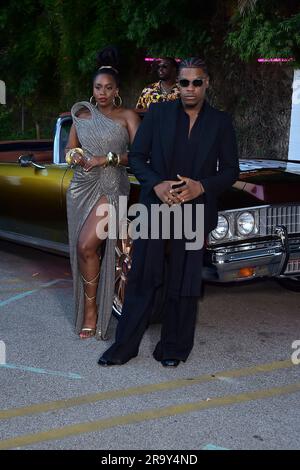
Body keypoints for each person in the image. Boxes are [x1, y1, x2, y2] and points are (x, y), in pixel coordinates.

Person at [98, 57, 239, 366]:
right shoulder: (159, 114)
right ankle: (124, 347)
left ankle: (173, 349)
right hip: (156, 208)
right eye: (184, 82)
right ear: (179, 85)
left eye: (196, 82)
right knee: (142, 279)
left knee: (184, 282)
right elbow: (137, 157)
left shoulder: (220, 122)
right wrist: (157, 185)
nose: (190, 88)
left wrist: (201, 187)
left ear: (207, 84)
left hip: (193, 212)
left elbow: (230, 171)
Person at [65, 47, 140, 340]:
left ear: (117, 90)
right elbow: (69, 150)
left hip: (112, 186)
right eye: (98, 87)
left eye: (109, 88)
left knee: (86, 245)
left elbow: (137, 156)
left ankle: (92, 312)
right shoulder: (81, 116)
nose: (103, 93)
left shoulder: (128, 116)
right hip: (81, 187)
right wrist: (77, 157)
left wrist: (105, 159)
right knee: (83, 248)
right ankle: (89, 309)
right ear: (92, 89)